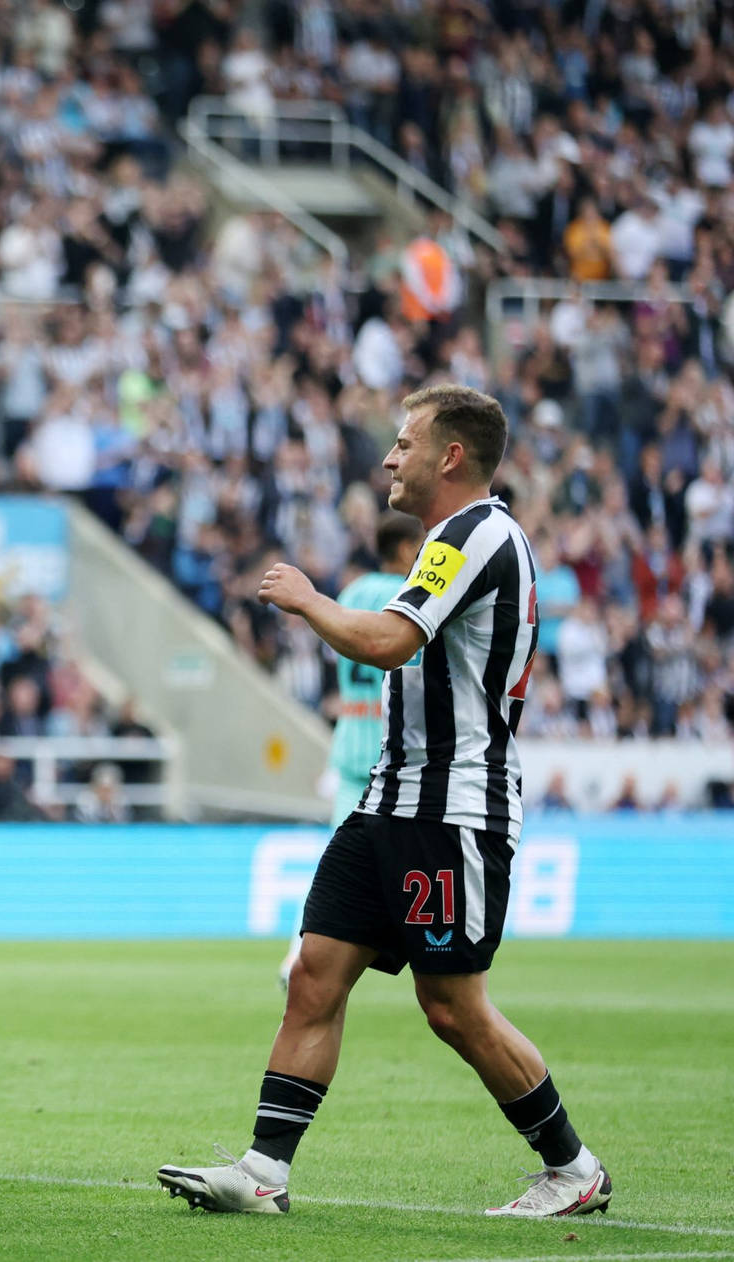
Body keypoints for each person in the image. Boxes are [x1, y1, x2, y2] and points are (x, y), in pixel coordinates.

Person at [159, 386, 611, 1218]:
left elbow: (389, 640)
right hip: (386, 804)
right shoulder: (454, 538)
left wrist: (307, 599)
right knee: (313, 978)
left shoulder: (478, 534)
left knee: (452, 1007)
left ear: (450, 457)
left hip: (452, 811)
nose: (389, 459)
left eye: (404, 444)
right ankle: (265, 1170)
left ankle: (574, 1168)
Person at [277, 512, 425, 989]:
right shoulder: (409, 598)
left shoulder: (349, 595)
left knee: (335, 865)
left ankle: (299, 955)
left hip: (349, 747)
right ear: (404, 550)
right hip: (393, 752)